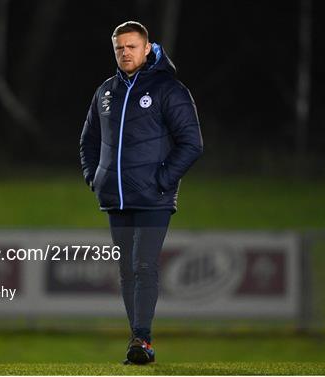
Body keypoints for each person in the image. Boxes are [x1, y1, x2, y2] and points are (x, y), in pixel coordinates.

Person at [80, 20, 203, 365]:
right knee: (127, 270)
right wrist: (95, 177)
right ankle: (136, 337)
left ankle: (142, 341)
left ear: (147, 48)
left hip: (154, 198)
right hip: (116, 199)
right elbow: (87, 141)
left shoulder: (169, 89)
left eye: (132, 46)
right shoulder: (105, 91)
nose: (125, 53)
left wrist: (163, 180)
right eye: (119, 47)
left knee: (144, 264)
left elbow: (192, 144)